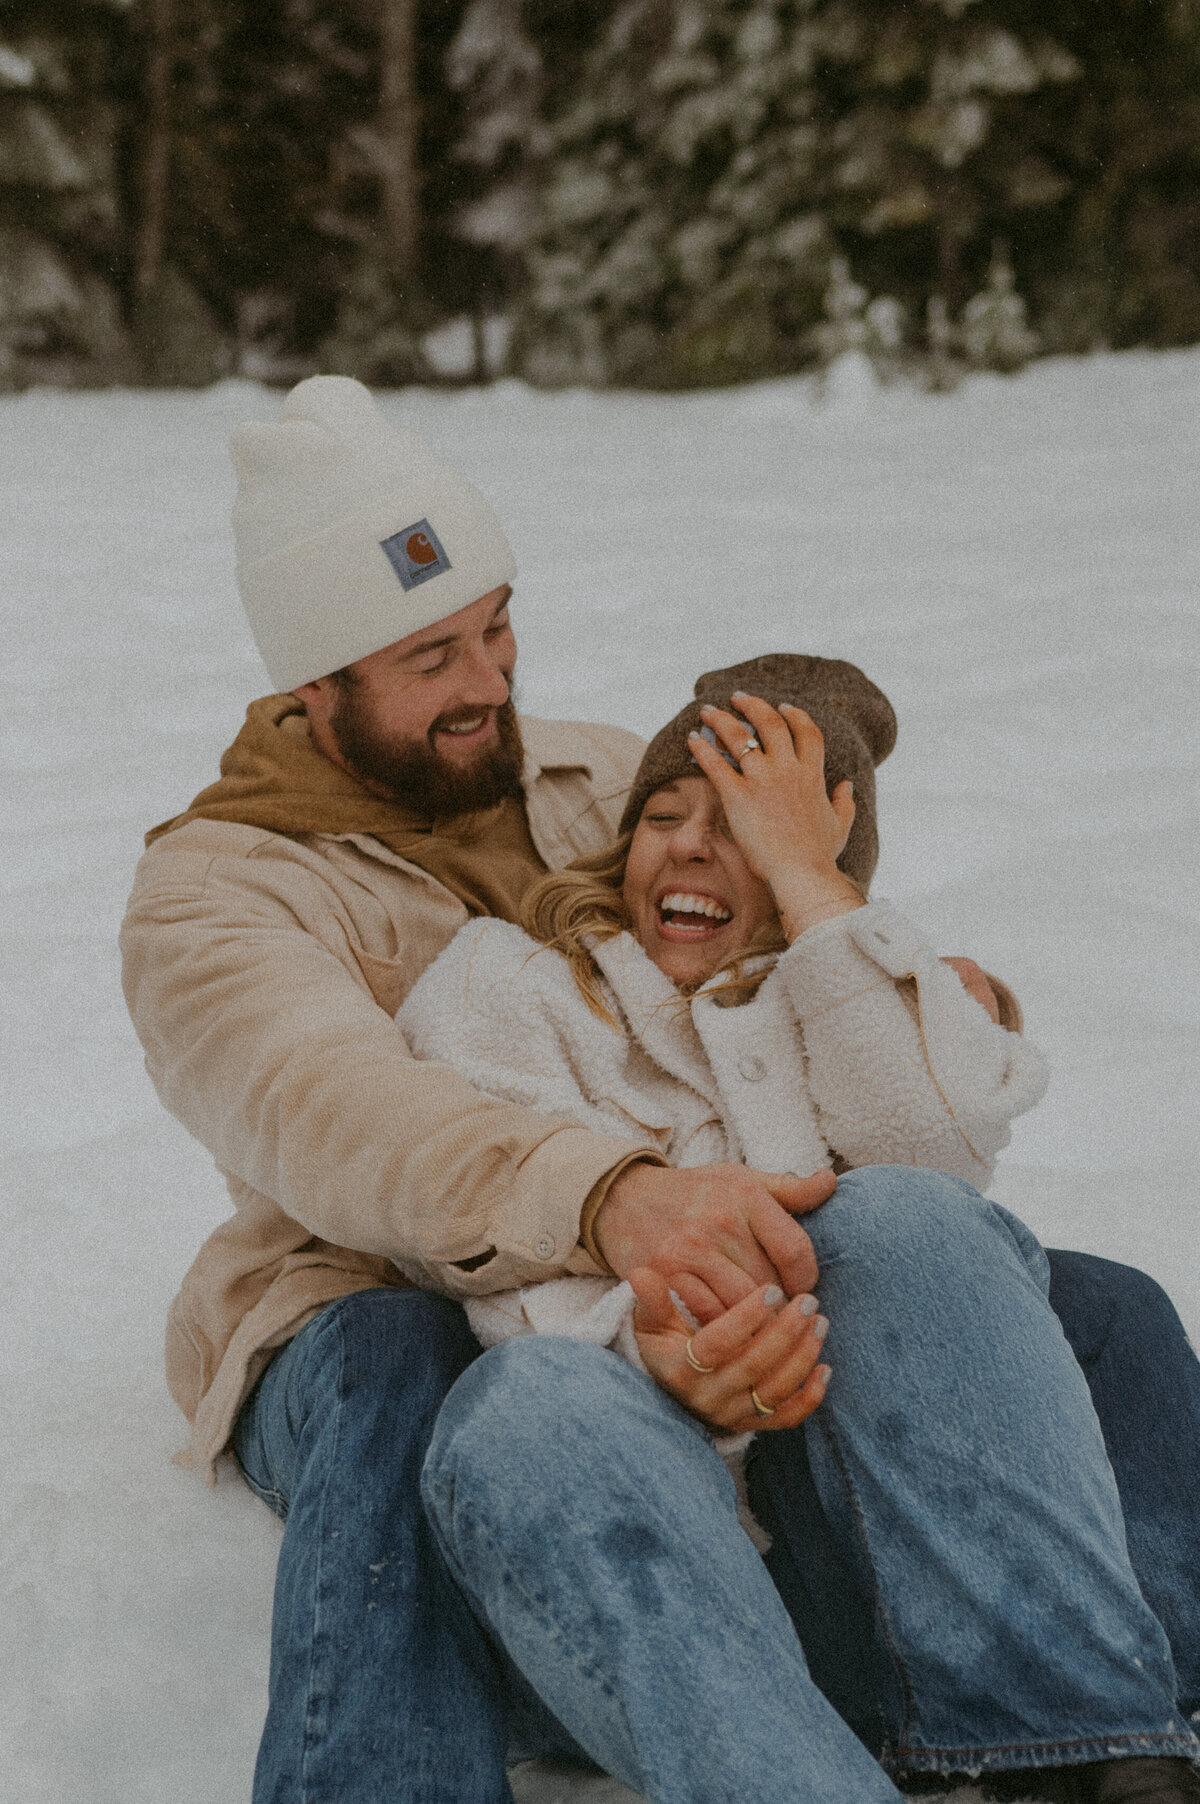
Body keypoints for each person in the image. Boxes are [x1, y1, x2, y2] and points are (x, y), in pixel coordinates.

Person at [119, 375, 1200, 1804]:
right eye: (432, 657)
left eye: (498, 626)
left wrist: (937, 998)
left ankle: (1119, 1737)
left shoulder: (598, 775)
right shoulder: (213, 890)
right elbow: (337, 1115)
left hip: (692, 1251)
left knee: (1093, 1309)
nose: (492, 682)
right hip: (370, 1280)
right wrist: (618, 1202)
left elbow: (784, 940)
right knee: (407, 1366)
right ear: (316, 687)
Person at [396, 653, 1050, 1410]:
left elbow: (929, 1178)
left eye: (746, 828)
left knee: (1120, 1311)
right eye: (662, 816)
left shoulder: (846, 999)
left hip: (864, 1417)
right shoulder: (511, 978)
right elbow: (476, 1228)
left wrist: (813, 888)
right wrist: (661, 1354)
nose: (689, 845)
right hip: (616, 1415)